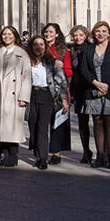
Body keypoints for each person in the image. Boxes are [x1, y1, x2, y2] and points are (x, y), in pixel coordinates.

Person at [78, 21, 110, 170]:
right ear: (94, 33)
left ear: (109, 33)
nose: (100, 34)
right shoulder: (88, 49)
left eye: (104, 31)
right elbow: (83, 69)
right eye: (98, 31)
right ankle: (100, 156)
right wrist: (95, 83)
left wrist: (106, 86)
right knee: (97, 122)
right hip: (93, 90)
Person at [0, 26, 31, 167]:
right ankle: (4, 154)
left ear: (15, 36)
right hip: (0, 93)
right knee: (2, 127)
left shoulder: (22, 54)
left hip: (15, 95)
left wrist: (24, 97)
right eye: (4, 34)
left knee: (13, 128)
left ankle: (13, 155)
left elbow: (27, 77)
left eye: (10, 34)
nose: (7, 36)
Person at [26, 35, 67, 170]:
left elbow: (61, 81)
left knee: (42, 128)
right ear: (31, 47)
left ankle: (42, 158)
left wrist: (64, 98)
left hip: (47, 95)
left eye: (41, 44)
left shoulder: (52, 62)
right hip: (31, 95)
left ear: (45, 47)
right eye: (35, 44)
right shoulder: (27, 62)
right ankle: (37, 154)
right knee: (33, 127)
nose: (39, 47)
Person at [41, 23, 71, 164]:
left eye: (51, 32)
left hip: (59, 91)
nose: (48, 34)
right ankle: (40, 152)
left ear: (57, 34)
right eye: (46, 32)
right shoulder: (39, 48)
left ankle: (56, 153)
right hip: (42, 90)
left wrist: (61, 68)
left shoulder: (63, 51)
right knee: (41, 123)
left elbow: (68, 71)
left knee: (57, 122)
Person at [68, 25, 94, 164]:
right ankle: (86, 151)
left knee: (96, 121)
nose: (78, 38)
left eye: (80, 35)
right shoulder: (71, 50)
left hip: (90, 88)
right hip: (78, 90)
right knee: (82, 122)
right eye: (75, 35)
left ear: (86, 35)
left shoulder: (91, 48)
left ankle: (103, 152)